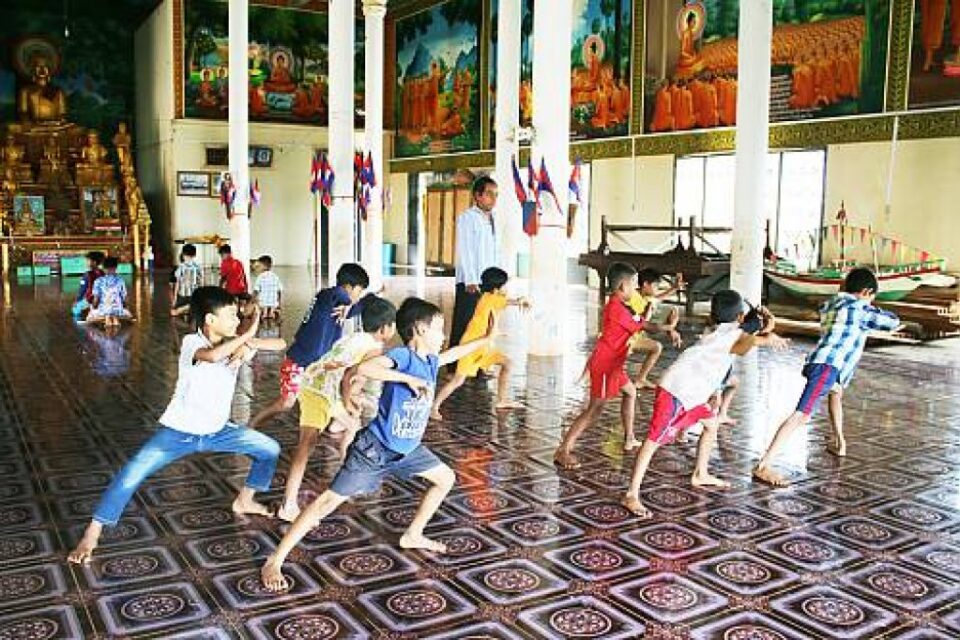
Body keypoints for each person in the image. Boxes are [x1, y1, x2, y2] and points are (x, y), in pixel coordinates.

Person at [260, 297, 496, 593]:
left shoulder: (432, 361)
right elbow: (366, 368)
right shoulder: (403, 357)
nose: (443, 335)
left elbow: (455, 353)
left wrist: (486, 339)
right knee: (326, 503)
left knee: (445, 479)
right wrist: (405, 378)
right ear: (420, 330)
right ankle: (275, 559)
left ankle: (413, 534)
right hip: (375, 451)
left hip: (408, 450)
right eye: (439, 328)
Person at [68, 287, 285, 564]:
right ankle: (92, 533)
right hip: (178, 433)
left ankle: (245, 500)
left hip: (219, 431)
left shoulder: (235, 345)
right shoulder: (192, 344)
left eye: (237, 314)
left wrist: (249, 343)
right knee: (132, 473)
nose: (236, 319)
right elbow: (213, 356)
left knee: (269, 449)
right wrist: (248, 333)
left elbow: (279, 344)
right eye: (231, 315)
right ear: (209, 319)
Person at [621, 290, 789, 518]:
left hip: (693, 393)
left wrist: (765, 330)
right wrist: (766, 332)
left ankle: (700, 473)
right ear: (739, 316)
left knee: (711, 425)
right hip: (676, 391)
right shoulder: (731, 336)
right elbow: (746, 341)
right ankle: (631, 493)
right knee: (653, 441)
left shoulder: (724, 330)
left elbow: (750, 335)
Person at [753, 268, 901, 487]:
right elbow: (893, 321)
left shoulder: (831, 305)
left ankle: (839, 442)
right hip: (827, 367)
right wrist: (872, 306)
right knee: (801, 416)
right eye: (872, 296)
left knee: (836, 393)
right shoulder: (859, 309)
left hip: (824, 365)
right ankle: (763, 465)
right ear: (866, 291)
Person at [278, 295, 397, 522]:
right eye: (392, 326)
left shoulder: (356, 337)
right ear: (385, 328)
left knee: (353, 425)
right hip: (318, 391)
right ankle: (288, 504)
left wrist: (348, 402)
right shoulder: (374, 349)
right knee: (306, 446)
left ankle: (349, 477)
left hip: (319, 384)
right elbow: (351, 378)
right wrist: (350, 401)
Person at [554, 263, 681, 469]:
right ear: (623, 286)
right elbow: (647, 326)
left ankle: (629, 437)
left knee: (630, 392)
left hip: (614, 364)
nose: (636, 288)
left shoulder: (624, 306)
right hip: (605, 365)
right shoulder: (616, 308)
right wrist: (669, 327)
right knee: (594, 410)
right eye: (633, 284)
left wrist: (667, 327)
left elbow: (642, 321)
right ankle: (563, 450)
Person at [249, 263, 369, 429]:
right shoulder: (328, 296)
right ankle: (252, 424)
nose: (359, 296)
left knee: (328, 397)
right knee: (286, 403)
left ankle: (342, 424)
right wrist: (348, 303)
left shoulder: (340, 306)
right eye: (359, 291)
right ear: (348, 287)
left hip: (318, 367)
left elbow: (368, 303)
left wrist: (350, 307)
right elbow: (339, 294)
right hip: (299, 362)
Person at [431, 267, 528, 420]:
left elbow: (502, 298)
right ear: (497, 287)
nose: (506, 287)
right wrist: (520, 300)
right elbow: (510, 301)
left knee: (508, 364)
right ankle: (434, 406)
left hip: (484, 346)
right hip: (472, 346)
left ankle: (502, 400)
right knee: (458, 380)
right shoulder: (493, 298)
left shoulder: (488, 295)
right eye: (504, 284)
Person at [450, 176, 499, 358]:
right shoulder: (467, 218)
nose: (493, 199)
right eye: (489, 194)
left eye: (495, 194)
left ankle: (477, 363)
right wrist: (470, 279)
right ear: (477, 196)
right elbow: (466, 250)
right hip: (471, 282)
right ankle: (454, 366)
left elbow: (495, 251)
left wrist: (498, 278)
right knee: (464, 323)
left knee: (483, 323)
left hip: (488, 280)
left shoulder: (493, 219)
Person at [86, 257, 133, 328]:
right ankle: (114, 317)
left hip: (103, 310)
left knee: (89, 317)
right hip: (118, 310)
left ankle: (107, 317)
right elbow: (125, 299)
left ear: (103, 268)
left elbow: (96, 300)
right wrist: (126, 307)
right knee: (128, 314)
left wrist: (93, 307)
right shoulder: (120, 280)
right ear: (115, 268)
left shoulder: (98, 281)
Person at [170, 244, 203, 318]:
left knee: (174, 313)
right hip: (193, 293)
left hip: (182, 294)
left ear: (183, 255)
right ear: (194, 255)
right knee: (193, 309)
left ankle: (184, 308)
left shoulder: (181, 267)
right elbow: (200, 281)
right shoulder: (197, 267)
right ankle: (188, 307)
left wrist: (175, 297)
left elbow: (178, 282)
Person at [72, 251, 104, 319]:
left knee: (75, 311)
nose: (86, 263)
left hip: (91, 300)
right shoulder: (103, 273)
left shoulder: (87, 275)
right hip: (103, 300)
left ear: (94, 262)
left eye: (88, 261)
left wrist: (77, 301)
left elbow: (82, 290)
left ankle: (89, 312)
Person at [253, 255, 283, 319]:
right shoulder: (275, 276)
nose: (257, 268)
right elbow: (279, 290)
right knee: (272, 303)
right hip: (274, 301)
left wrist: (253, 299)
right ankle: (271, 313)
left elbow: (256, 290)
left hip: (263, 301)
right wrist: (279, 303)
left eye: (258, 266)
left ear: (264, 266)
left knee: (262, 303)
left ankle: (265, 313)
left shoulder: (260, 277)